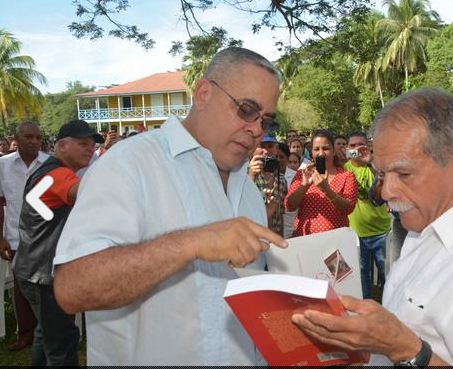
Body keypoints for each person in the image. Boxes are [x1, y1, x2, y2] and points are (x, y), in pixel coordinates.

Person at [51, 47, 287, 365]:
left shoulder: (248, 190)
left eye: (266, 120)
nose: (257, 129)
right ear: (203, 93)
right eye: (247, 110)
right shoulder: (130, 164)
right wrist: (191, 242)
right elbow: (72, 287)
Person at [292, 88, 453, 366]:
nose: (386, 192)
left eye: (404, 173)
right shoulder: (425, 228)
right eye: (383, 174)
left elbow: (405, 345)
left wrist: (406, 350)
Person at [14, 119, 104, 365]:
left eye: (92, 145)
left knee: (47, 336)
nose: (90, 149)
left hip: (33, 269)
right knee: (61, 343)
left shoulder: (47, 171)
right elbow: (84, 192)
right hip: (44, 275)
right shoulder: (57, 175)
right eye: (82, 143)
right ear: (62, 145)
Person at [0, 122, 47, 352]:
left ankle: (45, 331)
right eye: (29, 137)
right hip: (16, 237)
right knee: (21, 289)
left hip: (46, 237)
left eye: (38, 137)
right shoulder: (2, 165)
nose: (34, 141)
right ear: (16, 138)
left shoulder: (50, 164)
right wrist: (0, 238)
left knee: (46, 286)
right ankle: (26, 333)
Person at [343, 132, 391, 299]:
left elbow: (387, 187)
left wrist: (371, 162)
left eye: (360, 145)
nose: (357, 149)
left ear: (368, 146)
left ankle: (389, 310)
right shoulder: (344, 169)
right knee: (362, 278)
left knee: (388, 275)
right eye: (353, 145)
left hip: (381, 232)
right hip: (355, 234)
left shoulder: (377, 167)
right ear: (347, 148)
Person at [285, 129, 357, 236]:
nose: (321, 153)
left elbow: (348, 208)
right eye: (316, 149)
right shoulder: (302, 174)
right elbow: (289, 206)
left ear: (333, 151)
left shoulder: (346, 176)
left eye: (326, 148)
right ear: (311, 152)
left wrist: (326, 190)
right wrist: (304, 185)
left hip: (335, 241)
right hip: (305, 239)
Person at [248, 134, 288, 237]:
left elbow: (279, 216)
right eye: (261, 146)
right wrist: (251, 176)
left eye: (270, 146)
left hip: (273, 241)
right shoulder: (241, 175)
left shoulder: (281, 179)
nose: (265, 151)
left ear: (276, 149)